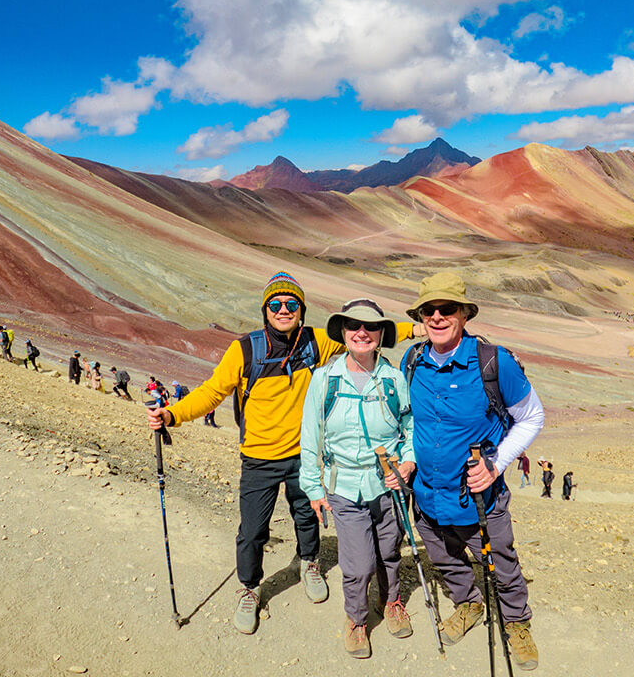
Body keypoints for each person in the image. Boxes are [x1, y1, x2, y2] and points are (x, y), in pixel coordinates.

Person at [147, 271, 419, 636]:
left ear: (302, 310)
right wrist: (173, 414)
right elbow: (213, 391)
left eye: (292, 304)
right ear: (265, 310)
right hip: (258, 457)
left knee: (306, 518)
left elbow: (365, 333)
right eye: (275, 304)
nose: (284, 310)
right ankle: (249, 587)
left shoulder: (315, 342)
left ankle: (309, 562)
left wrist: (416, 331)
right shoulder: (246, 349)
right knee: (253, 529)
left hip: (303, 457)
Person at [398, 271, 543, 671]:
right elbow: (410, 422)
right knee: (443, 556)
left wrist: (495, 465)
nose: (438, 317)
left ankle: (516, 623)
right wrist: (407, 459)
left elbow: (531, 417)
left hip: (480, 497)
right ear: (422, 315)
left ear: (464, 315)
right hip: (427, 493)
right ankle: (468, 603)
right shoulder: (412, 361)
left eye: (448, 309)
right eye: (430, 310)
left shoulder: (493, 363)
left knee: (502, 561)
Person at [299, 299, 416, 658]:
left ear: (381, 334)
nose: (361, 332)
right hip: (344, 486)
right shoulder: (325, 379)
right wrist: (313, 488)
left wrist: (408, 463)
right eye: (353, 326)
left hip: (388, 483)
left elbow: (410, 428)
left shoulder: (395, 380)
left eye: (370, 327)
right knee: (359, 562)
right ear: (343, 332)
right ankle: (356, 618)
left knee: (389, 551)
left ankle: (392, 600)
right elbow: (310, 437)